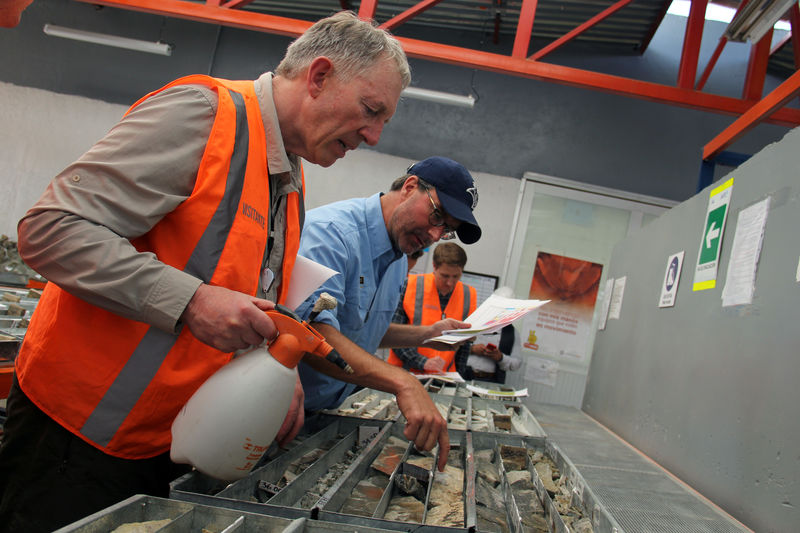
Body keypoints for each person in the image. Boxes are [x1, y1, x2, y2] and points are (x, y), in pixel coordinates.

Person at [0, 11, 410, 532]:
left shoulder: (289, 175)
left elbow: (241, 288)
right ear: (320, 76)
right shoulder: (205, 116)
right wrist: (190, 301)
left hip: (159, 446)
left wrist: (277, 370)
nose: (374, 135)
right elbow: (50, 228)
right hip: (73, 439)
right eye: (371, 110)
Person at [294, 156, 481, 471]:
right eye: (437, 216)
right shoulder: (333, 235)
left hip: (324, 413)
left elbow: (361, 328)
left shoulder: (399, 257)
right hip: (281, 410)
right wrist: (404, 382)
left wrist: (427, 334)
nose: (436, 236)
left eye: (447, 229)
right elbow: (312, 333)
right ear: (410, 187)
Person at [387, 242, 476, 375]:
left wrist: (457, 377)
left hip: (444, 377)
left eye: (456, 276)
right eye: (445, 276)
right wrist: (423, 362)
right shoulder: (410, 285)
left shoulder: (469, 295)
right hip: (403, 372)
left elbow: (464, 346)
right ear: (434, 267)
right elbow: (393, 335)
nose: (450, 283)